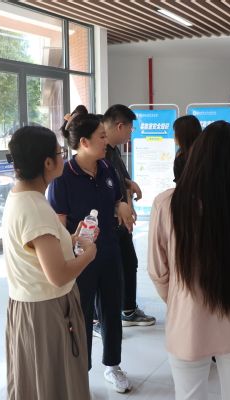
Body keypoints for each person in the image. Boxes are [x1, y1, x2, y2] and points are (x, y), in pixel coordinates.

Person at [148, 121, 230, 400]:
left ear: (197, 154)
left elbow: (158, 272)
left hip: (188, 323)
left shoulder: (168, 203)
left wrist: (181, 300)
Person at [3, 126, 95, 400]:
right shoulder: (36, 209)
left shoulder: (21, 196)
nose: (64, 158)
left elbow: (38, 249)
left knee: (37, 381)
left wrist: (71, 239)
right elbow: (57, 275)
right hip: (47, 311)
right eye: (60, 153)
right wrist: (89, 254)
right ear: (47, 163)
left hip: (30, 306)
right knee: (54, 383)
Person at [48, 105, 132, 393]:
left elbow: (116, 201)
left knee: (112, 312)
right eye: (101, 136)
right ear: (83, 142)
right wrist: (75, 242)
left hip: (109, 252)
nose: (106, 141)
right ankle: (79, 372)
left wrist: (123, 206)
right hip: (79, 261)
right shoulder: (63, 177)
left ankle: (113, 366)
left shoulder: (107, 168)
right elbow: (59, 227)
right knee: (80, 316)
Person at [101, 104, 156, 329]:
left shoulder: (113, 150)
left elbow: (117, 179)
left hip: (120, 221)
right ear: (120, 126)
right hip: (108, 222)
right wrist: (120, 204)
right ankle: (98, 318)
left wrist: (128, 184)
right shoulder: (100, 150)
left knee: (129, 263)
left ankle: (128, 310)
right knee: (108, 269)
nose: (131, 134)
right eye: (131, 129)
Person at [172, 115, 202, 182]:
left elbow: (182, 186)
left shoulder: (182, 159)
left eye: (176, 132)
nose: (174, 135)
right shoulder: (207, 155)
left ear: (183, 135)